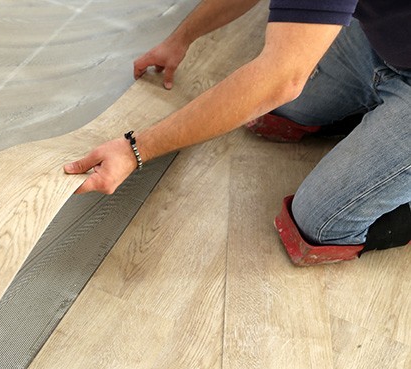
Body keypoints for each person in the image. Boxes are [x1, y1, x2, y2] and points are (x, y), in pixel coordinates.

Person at [63, 0, 410, 263]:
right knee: (283, 113)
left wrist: (134, 150)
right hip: (382, 40)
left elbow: (279, 80)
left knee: (318, 226)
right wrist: (181, 39)